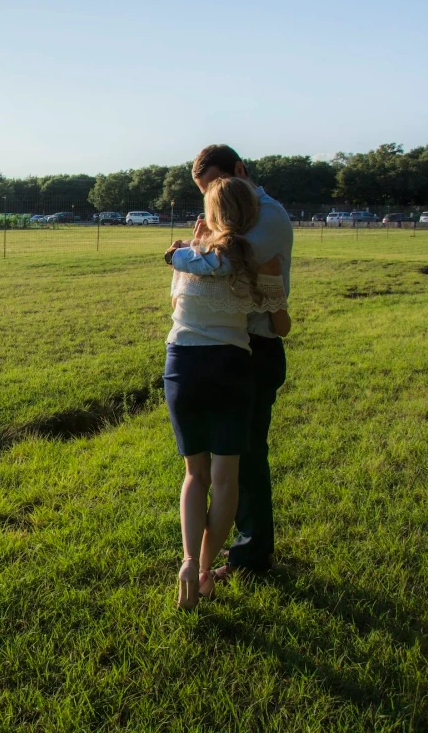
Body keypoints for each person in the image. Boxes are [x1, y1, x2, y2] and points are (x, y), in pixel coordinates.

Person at [163, 176, 288, 609]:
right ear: (251, 216)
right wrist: (271, 287)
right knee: (225, 479)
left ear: (211, 215)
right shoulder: (258, 263)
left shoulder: (185, 258)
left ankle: (184, 560)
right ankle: (203, 571)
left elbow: (176, 308)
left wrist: (196, 244)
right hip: (233, 368)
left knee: (194, 475)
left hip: (182, 367)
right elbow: (280, 326)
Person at [190, 145, 293, 580]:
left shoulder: (269, 216)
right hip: (226, 347)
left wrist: (194, 245)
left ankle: (251, 557)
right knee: (225, 458)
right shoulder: (242, 215)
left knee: (245, 455)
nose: (211, 200)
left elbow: (223, 261)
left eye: (214, 186)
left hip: (255, 346)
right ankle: (226, 551)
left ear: (239, 171)